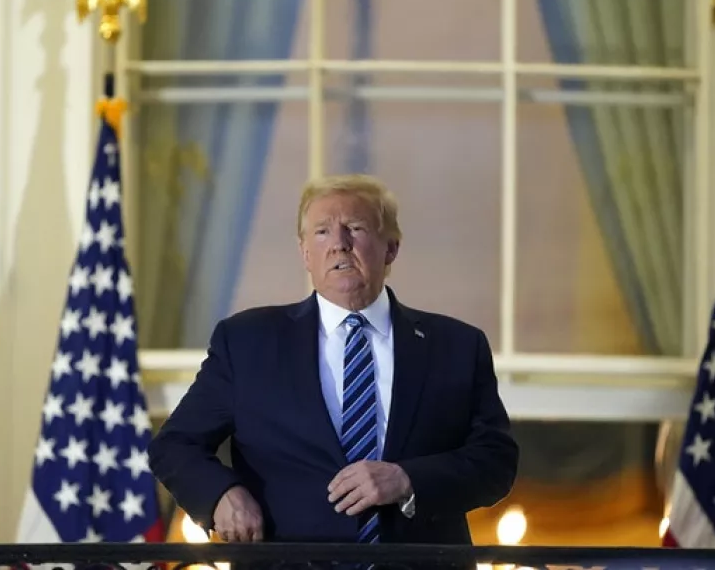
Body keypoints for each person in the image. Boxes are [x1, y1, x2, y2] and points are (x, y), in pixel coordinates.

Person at [148, 174, 519, 551]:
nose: (339, 245)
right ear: (305, 253)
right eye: (322, 232)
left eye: (355, 228)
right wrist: (221, 495)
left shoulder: (456, 346)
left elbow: (496, 461)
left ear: (390, 248)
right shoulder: (247, 342)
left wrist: (407, 479)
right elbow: (176, 445)